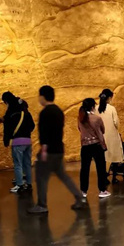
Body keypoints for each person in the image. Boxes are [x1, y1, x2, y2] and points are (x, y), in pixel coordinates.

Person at [27, 85, 86, 215]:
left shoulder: (45, 113)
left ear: (43, 97)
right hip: (58, 149)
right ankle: (79, 197)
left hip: (48, 151)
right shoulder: (58, 111)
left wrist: (43, 150)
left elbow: (45, 133)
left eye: (39, 96)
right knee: (63, 175)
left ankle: (42, 205)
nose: (39, 98)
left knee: (41, 178)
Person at [78, 97, 109, 199]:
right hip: (96, 145)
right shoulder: (96, 118)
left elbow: (79, 129)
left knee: (84, 169)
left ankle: (83, 191)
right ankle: (102, 190)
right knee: (100, 168)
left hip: (85, 146)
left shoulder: (80, 118)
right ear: (92, 107)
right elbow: (103, 130)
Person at [3, 96, 35, 194]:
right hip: (28, 141)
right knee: (27, 164)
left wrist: (7, 140)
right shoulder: (27, 114)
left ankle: (19, 185)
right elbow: (32, 126)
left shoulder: (13, 114)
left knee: (18, 164)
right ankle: (29, 183)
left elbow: (8, 129)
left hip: (17, 142)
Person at [99, 89, 124, 175]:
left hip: (101, 136)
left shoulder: (96, 108)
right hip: (112, 136)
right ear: (109, 98)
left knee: (102, 158)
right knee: (115, 157)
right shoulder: (111, 108)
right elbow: (116, 122)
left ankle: (103, 175)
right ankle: (114, 177)